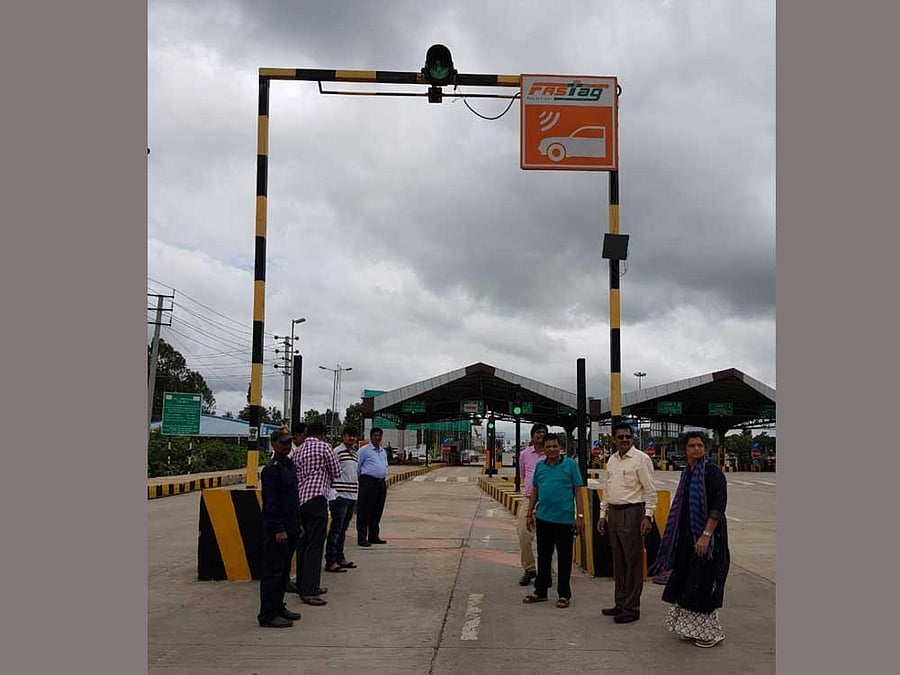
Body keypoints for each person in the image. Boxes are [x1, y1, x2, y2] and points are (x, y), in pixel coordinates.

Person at [658, 432, 730, 648]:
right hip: (687, 537)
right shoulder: (687, 472)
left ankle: (711, 633)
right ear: (685, 449)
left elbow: (718, 508)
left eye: (700, 445)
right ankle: (690, 628)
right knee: (687, 581)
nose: (697, 449)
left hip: (708, 537)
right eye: (692, 445)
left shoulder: (712, 473)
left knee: (703, 582)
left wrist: (706, 536)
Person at [597, 421, 658, 624]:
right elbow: (607, 489)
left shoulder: (641, 459)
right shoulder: (612, 460)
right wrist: (602, 515)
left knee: (633, 562)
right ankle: (620, 602)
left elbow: (650, 490)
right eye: (620, 437)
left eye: (628, 437)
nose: (625, 440)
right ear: (614, 440)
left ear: (632, 438)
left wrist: (648, 516)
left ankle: (632, 608)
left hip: (632, 512)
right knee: (619, 561)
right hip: (614, 513)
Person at [521, 433, 584, 608]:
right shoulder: (540, 466)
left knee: (564, 558)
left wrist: (580, 516)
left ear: (560, 447)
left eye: (555, 446)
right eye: (548, 447)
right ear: (544, 449)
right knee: (543, 557)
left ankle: (564, 594)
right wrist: (529, 513)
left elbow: (578, 491)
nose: (552, 449)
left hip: (564, 520)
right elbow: (535, 491)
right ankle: (540, 591)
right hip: (543, 518)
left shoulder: (570, 465)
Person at [257, 429, 303, 628]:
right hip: (278, 531)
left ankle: (278, 606)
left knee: (284, 573)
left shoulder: (289, 465)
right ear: (273, 444)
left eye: (288, 442)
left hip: (291, 527)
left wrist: (297, 524)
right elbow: (271, 504)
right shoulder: (271, 471)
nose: (286, 445)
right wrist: (278, 529)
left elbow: (293, 499)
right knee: (273, 573)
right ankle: (267, 614)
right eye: (282, 442)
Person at [292, 422, 340, 606]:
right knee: (315, 546)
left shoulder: (299, 450)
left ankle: (302, 585)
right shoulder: (324, 447)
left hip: (300, 501)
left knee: (303, 545)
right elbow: (336, 471)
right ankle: (310, 591)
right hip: (317, 499)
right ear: (322, 434)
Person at [324, 425, 360, 573]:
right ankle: (331, 560)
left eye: (354, 436)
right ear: (343, 436)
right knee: (336, 529)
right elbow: (330, 471)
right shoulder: (337, 452)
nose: (351, 438)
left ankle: (340, 557)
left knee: (343, 529)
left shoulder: (355, 454)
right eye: (349, 435)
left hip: (352, 496)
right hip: (340, 496)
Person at [516, 423, 548, 586]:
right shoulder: (524, 454)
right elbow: (522, 474)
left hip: (547, 500)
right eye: (538, 432)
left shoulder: (551, 454)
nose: (540, 435)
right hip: (529, 499)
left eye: (543, 432)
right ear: (532, 435)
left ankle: (546, 572)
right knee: (523, 533)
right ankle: (529, 569)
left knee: (547, 538)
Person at [356, 427, 389, 546]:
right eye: (375, 435)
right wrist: (362, 481)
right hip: (368, 482)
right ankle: (362, 537)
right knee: (364, 511)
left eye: (379, 436)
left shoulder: (383, 451)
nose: (377, 438)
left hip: (381, 483)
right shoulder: (364, 450)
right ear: (371, 436)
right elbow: (357, 467)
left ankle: (373, 536)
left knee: (377, 510)